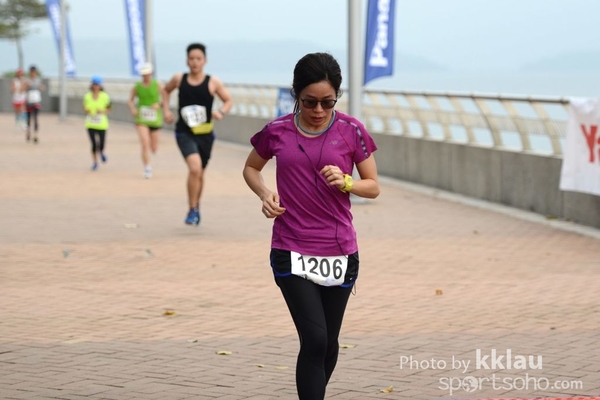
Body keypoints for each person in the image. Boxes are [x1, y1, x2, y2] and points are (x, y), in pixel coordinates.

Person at [242, 52, 380, 400]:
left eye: (327, 102)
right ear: (296, 94)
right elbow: (251, 168)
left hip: (340, 251)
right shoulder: (277, 130)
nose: (319, 110)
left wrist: (348, 182)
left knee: (329, 342)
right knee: (315, 339)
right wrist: (265, 194)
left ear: (337, 96)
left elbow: (373, 186)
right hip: (290, 248)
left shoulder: (351, 130)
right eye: (309, 102)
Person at [163, 43, 233, 226]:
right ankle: (192, 208)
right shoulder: (179, 79)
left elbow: (228, 100)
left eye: (198, 59)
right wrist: (166, 111)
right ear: (187, 61)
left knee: (200, 173)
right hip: (184, 132)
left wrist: (221, 112)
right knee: (194, 168)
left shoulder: (213, 82)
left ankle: (196, 206)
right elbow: (165, 90)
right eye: (191, 59)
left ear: (205, 61)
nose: (195, 62)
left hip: (205, 134)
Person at [128, 62, 170, 179]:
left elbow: (165, 97)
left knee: (154, 147)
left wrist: (159, 105)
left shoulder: (157, 84)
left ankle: (152, 152)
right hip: (142, 118)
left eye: (147, 74)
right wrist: (133, 109)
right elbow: (130, 100)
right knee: (144, 143)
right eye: (144, 74)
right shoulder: (137, 86)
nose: (145, 76)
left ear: (151, 73)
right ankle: (147, 168)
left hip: (155, 119)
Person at [83, 76, 111, 171]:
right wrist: (87, 110)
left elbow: (109, 108)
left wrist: (102, 111)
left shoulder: (105, 96)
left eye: (97, 85)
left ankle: (101, 152)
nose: (96, 86)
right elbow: (84, 108)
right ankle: (95, 162)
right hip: (90, 123)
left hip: (102, 124)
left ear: (100, 86)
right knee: (94, 144)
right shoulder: (87, 96)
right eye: (94, 84)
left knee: (101, 143)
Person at [24, 65, 45, 143]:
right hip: (29, 100)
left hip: (36, 100)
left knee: (35, 117)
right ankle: (28, 131)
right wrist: (27, 85)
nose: (33, 73)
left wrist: (41, 87)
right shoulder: (27, 80)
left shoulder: (38, 80)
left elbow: (42, 88)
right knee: (29, 118)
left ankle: (35, 134)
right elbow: (24, 88)